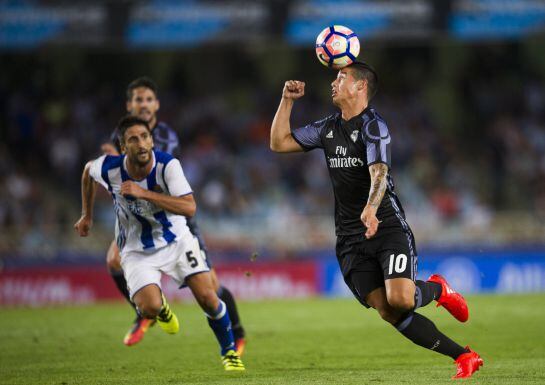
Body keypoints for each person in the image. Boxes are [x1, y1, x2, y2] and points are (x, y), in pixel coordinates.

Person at [269, 61, 483, 379]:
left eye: (341, 77)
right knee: (387, 310)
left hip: (386, 225)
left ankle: (437, 290)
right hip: (349, 238)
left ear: (360, 86)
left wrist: (370, 208)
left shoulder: (373, 126)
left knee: (401, 299)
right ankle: (464, 356)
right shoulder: (327, 128)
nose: (334, 82)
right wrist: (287, 100)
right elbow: (279, 143)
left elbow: (379, 171)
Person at [74, 115, 245, 371]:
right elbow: (88, 171)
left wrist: (144, 193)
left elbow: (189, 207)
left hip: (176, 240)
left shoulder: (167, 165)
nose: (141, 144)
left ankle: (229, 352)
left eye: (145, 137)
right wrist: (86, 214)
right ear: (123, 148)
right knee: (149, 307)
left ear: (152, 140)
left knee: (208, 298)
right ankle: (161, 309)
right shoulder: (110, 168)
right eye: (133, 139)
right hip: (135, 250)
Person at [101, 77, 246, 353]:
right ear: (129, 105)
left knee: (211, 287)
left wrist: (118, 163)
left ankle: (237, 334)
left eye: (147, 99)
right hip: (137, 220)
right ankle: (143, 313)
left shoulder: (166, 138)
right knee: (113, 260)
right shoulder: (119, 135)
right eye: (137, 100)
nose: (143, 104)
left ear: (156, 104)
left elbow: (153, 177)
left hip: (172, 216)